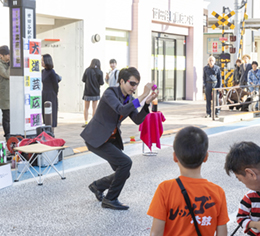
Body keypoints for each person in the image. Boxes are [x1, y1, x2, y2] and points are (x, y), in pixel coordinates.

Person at [81, 67, 158, 210]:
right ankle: (110, 199)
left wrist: (146, 103)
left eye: (136, 84)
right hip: (96, 138)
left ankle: (98, 186)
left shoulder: (129, 98)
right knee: (125, 163)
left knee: (123, 172)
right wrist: (142, 95)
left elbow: (137, 119)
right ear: (122, 81)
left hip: (110, 139)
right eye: (132, 83)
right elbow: (121, 110)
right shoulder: (110, 93)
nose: (134, 87)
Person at [147, 126, 229, 235]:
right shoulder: (218, 192)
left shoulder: (165, 189)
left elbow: (156, 233)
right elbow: (222, 233)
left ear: (175, 157)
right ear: (206, 157)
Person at [82, 59, 104, 127]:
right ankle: (93, 122)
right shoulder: (100, 72)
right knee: (94, 108)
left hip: (87, 92)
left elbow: (83, 80)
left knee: (86, 107)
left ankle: (86, 122)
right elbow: (101, 83)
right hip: (96, 92)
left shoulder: (87, 70)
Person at [41, 54, 59, 128]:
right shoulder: (43, 71)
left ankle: (51, 131)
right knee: (44, 113)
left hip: (51, 94)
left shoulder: (52, 72)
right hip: (44, 93)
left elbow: (56, 85)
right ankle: (46, 129)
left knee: (51, 114)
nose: (41, 62)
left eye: (42, 60)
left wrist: (54, 94)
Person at [0, 45, 10, 141]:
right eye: (6, 54)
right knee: (6, 117)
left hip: (12, 95)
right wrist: (13, 65)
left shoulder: (8, 64)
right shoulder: (0, 65)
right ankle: (8, 136)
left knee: (10, 116)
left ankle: (11, 135)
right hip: (4, 96)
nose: (9, 56)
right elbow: (7, 75)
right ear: (1, 56)